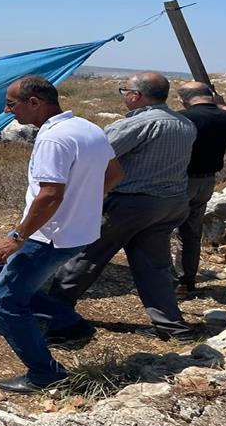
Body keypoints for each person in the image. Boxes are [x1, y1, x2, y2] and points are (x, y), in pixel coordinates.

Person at [0, 77, 122, 392]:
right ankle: (69, 323)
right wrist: (83, 201)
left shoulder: (53, 138)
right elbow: (116, 173)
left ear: (34, 102)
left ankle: (45, 374)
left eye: (11, 104)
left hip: (49, 234)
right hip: (75, 230)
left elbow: (49, 195)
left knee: (3, 301)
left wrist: (17, 236)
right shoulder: (87, 127)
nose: (7, 110)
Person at [48, 72, 199, 341]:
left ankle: (56, 319)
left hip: (132, 203)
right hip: (171, 203)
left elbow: (94, 153)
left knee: (85, 255)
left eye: (124, 90)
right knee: (154, 267)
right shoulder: (184, 123)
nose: (124, 95)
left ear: (136, 95)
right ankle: (172, 327)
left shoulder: (139, 123)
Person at [173, 82, 226, 296]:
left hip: (179, 180)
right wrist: (222, 105)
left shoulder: (181, 117)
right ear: (212, 96)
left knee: (160, 230)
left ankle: (164, 280)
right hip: (207, 181)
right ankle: (186, 280)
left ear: (183, 100)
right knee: (191, 232)